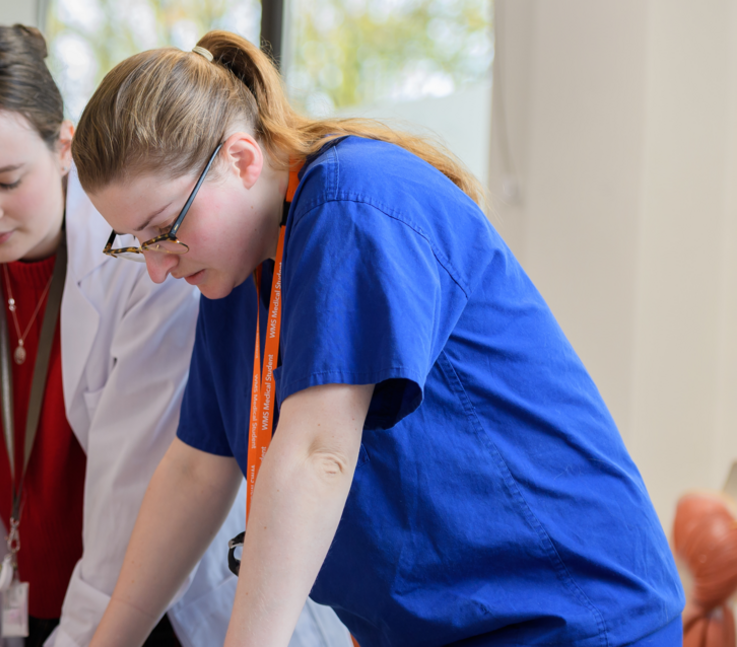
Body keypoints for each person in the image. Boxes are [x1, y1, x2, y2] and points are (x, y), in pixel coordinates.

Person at [71, 31, 685, 647]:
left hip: (564, 620)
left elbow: (317, 456)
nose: (157, 266)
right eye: (135, 243)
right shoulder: (231, 272)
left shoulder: (354, 202)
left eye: (163, 229)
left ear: (239, 159)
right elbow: (193, 474)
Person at [0, 25, 350, 647]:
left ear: (62, 146)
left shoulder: (158, 250)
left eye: (8, 181)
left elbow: (151, 481)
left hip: (158, 610)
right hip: (25, 600)